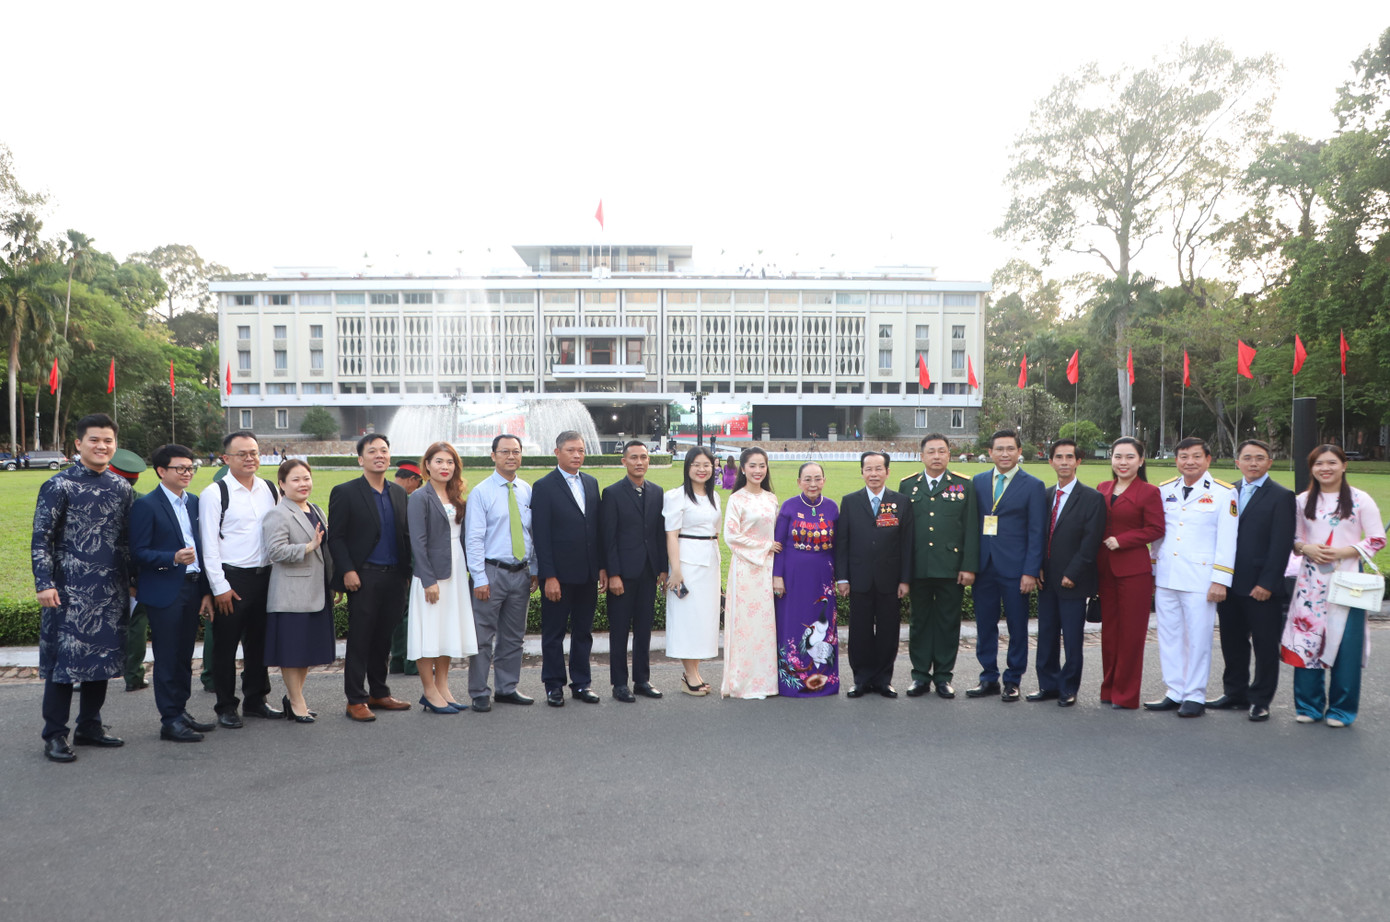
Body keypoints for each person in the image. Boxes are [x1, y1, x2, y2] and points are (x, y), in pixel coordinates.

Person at [33, 413, 135, 762]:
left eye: (108, 440)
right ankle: (55, 735)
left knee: (102, 659)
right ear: (78, 444)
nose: (101, 446)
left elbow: (127, 541)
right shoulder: (58, 485)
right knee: (65, 664)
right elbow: (41, 539)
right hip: (67, 591)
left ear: (115, 445)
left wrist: (133, 582)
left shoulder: (121, 488)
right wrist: (43, 583)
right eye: (94, 440)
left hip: (110, 590)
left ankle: (90, 725)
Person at [1282, 445, 1385, 727]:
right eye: (1318, 464)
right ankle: (1308, 706)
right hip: (1310, 581)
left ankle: (1341, 710)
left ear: (1343, 466)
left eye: (1331, 463)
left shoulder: (1360, 500)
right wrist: (1306, 548)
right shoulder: (1302, 501)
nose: (1325, 468)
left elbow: (1376, 539)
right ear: (1311, 468)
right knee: (1307, 640)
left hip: (1349, 580)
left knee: (1346, 645)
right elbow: (1292, 538)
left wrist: (1343, 552)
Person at [129, 444, 217, 742]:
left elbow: (204, 549)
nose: (187, 473)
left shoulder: (193, 502)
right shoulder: (146, 505)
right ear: (161, 471)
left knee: (184, 655)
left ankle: (180, 710)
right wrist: (172, 558)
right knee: (167, 657)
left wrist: (206, 591)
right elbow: (138, 552)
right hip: (165, 590)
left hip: (192, 588)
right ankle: (169, 720)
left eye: (191, 467)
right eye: (180, 468)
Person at [1145, 437, 1237, 718]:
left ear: (1208, 459)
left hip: (1201, 578)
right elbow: (1158, 536)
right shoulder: (1165, 490)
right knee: (1169, 635)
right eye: (1184, 457)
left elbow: (1227, 539)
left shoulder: (1224, 493)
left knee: (1198, 637)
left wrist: (1220, 579)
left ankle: (1195, 694)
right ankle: (1175, 690)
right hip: (1167, 575)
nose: (1190, 462)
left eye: (1196, 456)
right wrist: (1152, 570)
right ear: (1176, 460)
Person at [199, 431, 282, 728]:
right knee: (225, 646)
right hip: (232, 579)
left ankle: (256, 699)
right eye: (242, 454)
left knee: (259, 644)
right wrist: (220, 587)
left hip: (266, 577)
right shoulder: (215, 493)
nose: (250, 459)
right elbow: (208, 545)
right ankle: (225, 705)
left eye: (254, 453)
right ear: (226, 459)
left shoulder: (269, 489)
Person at [327, 433, 414, 721]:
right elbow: (336, 538)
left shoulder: (399, 493)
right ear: (360, 459)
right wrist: (347, 571)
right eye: (373, 451)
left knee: (383, 639)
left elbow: (405, 536)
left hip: (394, 578)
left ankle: (379, 692)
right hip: (363, 577)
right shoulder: (346, 491)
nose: (380, 455)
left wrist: (408, 574)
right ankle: (355, 699)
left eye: (384, 451)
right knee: (361, 639)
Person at [1211, 439, 1296, 721]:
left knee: (1264, 644)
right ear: (1238, 462)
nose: (1253, 463)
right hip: (1230, 581)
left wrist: (1268, 583)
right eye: (1247, 458)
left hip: (1261, 585)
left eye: (1260, 458)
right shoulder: (1228, 491)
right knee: (1232, 641)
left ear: (1270, 462)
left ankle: (1260, 700)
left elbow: (1281, 544)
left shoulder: (1282, 496)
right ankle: (1235, 693)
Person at [968, 429, 1046, 702]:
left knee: (1017, 626)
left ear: (1019, 451)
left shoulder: (1033, 485)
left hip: (1016, 570)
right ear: (990, 452)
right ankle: (988, 676)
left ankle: (1013, 679)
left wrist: (1030, 571)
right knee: (985, 625)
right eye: (999, 449)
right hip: (984, 566)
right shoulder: (976, 482)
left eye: (1010, 449)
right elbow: (969, 526)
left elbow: (1037, 532)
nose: (1004, 454)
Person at [901, 434, 978, 699]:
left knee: (948, 623)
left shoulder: (963, 486)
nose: (936, 456)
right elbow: (902, 533)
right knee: (919, 622)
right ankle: (920, 676)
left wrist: (969, 567)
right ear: (921, 455)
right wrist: (904, 572)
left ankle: (943, 677)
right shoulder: (908, 486)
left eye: (941, 451)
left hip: (950, 568)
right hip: (919, 567)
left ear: (949, 455)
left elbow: (970, 529)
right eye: (931, 451)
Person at [464, 434, 538, 713]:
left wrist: (535, 569)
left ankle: (507, 688)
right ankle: (479, 691)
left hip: (520, 573)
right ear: (493, 455)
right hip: (491, 573)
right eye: (505, 451)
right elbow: (473, 539)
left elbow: (532, 533)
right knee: (483, 637)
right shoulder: (482, 492)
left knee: (513, 635)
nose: (511, 456)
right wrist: (479, 578)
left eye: (516, 452)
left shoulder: (526, 490)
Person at [532, 431, 607, 707]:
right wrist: (548, 576)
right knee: (553, 633)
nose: (577, 455)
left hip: (587, 573)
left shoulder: (590, 482)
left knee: (583, 631)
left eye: (581, 450)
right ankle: (553, 685)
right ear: (557, 452)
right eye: (571, 450)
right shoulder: (544, 486)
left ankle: (581, 683)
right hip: (558, 577)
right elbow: (541, 535)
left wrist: (600, 567)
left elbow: (595, 530)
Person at [1031, 439, 1106, 707]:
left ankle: (1068, 687)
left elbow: (1091, 541)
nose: (1064, 462)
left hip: (1073, 580)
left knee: (1072, 639)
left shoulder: (1092, 498)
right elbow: (1038, 535)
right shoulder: (1045, 495)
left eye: (1069, 457)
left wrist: (1073, 573)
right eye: (1058, 457)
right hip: (1045, 578)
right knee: (1047, 634)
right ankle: (1048, 685)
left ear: (1078, 461)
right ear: (1050, 461)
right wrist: (1036, 566)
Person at [262, 459, 336, 723]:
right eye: (296, 479)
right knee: (292, 652)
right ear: (282, 484)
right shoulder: (278, 514)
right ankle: (296, 701)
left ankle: (295, 697)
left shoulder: (316, 509)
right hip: (291, 594)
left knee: (306, 651)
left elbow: (325, 551)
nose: (303, 484)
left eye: (306, 478)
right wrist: (308, 546)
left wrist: (333, 581)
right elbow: (275, 552)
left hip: (317, 591)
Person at [406, 442, 477, 714]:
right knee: (429, 632)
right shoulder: (420, 498)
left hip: (456, 571)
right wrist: (428, 580)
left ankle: (443, 687)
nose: (444, 466)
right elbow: (418, 542)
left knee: (447, 629)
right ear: (427, 465)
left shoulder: (456, 495)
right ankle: (429, 691)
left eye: (449, 462)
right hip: (432, 575)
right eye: (438, 461)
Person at [835, 451, 913, 698]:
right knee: (859, 631)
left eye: (879, 469)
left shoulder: (901, 501)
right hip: (859, 579)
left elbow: (907, 544)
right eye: (868, 469)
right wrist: (843, 577)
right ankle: (861, 678)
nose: (874, 474)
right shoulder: (849, 501)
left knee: (889, 632)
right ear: (862, 472)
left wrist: (905, 579)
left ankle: (883, 679)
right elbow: (843, 542)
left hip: (890, 580)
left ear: (888, 472)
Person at [1095, 437, 1164, 710]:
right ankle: (1108, 688)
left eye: (1129, 457)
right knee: (1109, 632)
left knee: (1131, 634)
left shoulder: (1148, 492)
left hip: (1133, 570)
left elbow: (1156, 529)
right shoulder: (1102, 488)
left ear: (1141, 460)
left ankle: (1125, 695)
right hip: (1104, 569)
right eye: (1118, 457)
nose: (1122, 462)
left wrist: (1123, 540)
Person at [600, 440, 668, 702]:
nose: (639, 462)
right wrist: (613, 573)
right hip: (623, 575)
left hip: (649, 572)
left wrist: (662, 568)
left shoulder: (657, 491)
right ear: (624, 461)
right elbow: (609, 538)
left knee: (644, 629)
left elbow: (659, 534)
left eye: (644, 457)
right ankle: (619, 683)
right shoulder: (613, 493)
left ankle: (642, 680)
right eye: (634, 458)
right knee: (619, 630)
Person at [772, 461, 840, 697]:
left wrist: (839, 578)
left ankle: (823, 681)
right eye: (808, 479)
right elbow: (778, 546)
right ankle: (791, 681)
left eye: (817, 478)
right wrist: (777, 576)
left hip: (822, 578)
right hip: (792, 577)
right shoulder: (789, 507)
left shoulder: (832, 508)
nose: (813, 484)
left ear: (824, 480)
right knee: (793, 625)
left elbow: (838, 548)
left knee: (823, 629)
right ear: (799, 481)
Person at [720, 447, 780, 699]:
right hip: (746, 570)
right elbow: (731, 536)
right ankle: (742, 682)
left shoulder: (771, 498)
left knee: (766, 626)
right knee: (745, 627)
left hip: (769, 569)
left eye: (762, 465)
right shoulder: (737, 499)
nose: (757, 471)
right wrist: (764, 547)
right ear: (742, 468)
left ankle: (767, 683)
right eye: (752, 466)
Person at [664, 446, 723, 695]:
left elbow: (716, 533)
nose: (702, 469)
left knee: (702, 619)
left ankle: (694, 672)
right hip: (686, 564)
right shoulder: (676, 496)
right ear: (687, 467)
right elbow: (671, 535)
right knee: (687, 618)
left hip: (710, 562)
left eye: (706, 465)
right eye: (696, 465)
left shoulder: (715, 497)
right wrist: (675, 570)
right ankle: (689, 675)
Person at [111, 449, 151, 692]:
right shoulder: (143, 502)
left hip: (98, 574)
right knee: (136, 623)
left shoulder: (98, 497)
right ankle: (133, 675)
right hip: (134, 574)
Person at [389, 460, 424, 677]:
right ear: (411, 480)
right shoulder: (410, 500)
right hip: (410, 563)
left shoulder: (386, 493)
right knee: (412, 613)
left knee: (398, 613)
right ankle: (412, 663)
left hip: (390, 564)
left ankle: (397, 661)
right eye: (418, 483)